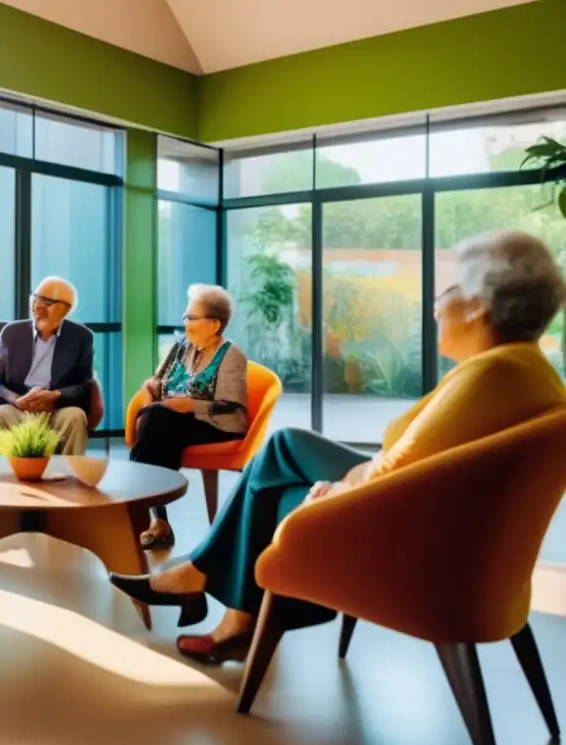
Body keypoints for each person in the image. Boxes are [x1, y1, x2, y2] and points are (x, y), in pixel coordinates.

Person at [111, 230, 566, 665]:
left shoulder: (491, 375)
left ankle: (211, 592)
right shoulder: (521, 368)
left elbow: (399, 467)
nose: (436, 305)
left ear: (478, 307)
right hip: (438, 520)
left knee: (268, 489)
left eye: (449, 290)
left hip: (409, 533)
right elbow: (424, 463)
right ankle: (215, 596)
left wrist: (342, 490)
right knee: (283, 449)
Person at [130, 284, 249, 550]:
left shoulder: (232, 355)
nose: (185, 323)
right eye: (185, 317)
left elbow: (232, 408)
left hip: (217, 425)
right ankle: (155, 517)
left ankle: (143, 509)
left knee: (156, 425)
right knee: (156, 422)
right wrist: (150, 397)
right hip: (170, 419)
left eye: (191, 318)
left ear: (215, 324)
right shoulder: (182, 347)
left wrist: (189, 406)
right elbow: (157, 383)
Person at [0, 276, 93, 456]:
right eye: (35, 298)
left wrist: (55, 395)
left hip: (56, 410)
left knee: (76, 417)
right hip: (17, 408)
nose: (37, 306)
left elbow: (83, 387)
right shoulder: (11, 333)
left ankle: (69, 477)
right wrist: (16, 400)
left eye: (47, 302)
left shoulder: (81, 337)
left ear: (65, 309)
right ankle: (3, 479)